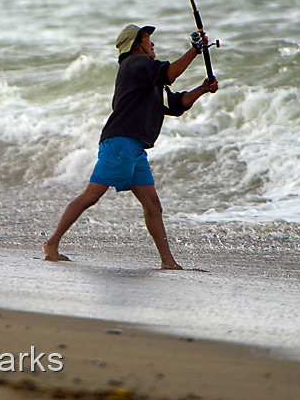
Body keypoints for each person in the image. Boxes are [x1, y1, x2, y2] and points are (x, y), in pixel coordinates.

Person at [42, 24, 219, 269]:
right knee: (91, 196)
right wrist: (195, 50)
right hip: (121, 143)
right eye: (148, 40)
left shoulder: (143, 74)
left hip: (133, 148)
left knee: (153, 206)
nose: (153, 44)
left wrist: (201, 89)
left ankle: (168, 262)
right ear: (136, 46)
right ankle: (51, 244)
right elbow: (169, 73)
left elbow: (176, 105)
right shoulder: (136, 64)